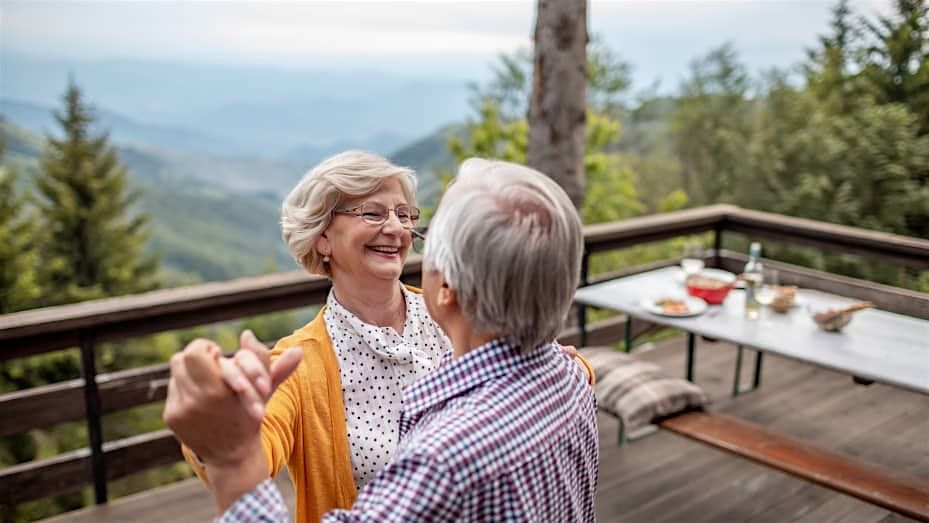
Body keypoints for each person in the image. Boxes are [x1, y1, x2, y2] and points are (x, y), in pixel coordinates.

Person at [165, 158, 599, 521]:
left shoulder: (457, 325)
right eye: (373, 213)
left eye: (406, 215)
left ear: (447, 286)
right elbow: (254, 444)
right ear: (322, 237)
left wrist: (231, 462)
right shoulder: (299, 362)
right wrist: (222, 433)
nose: (398, 229)